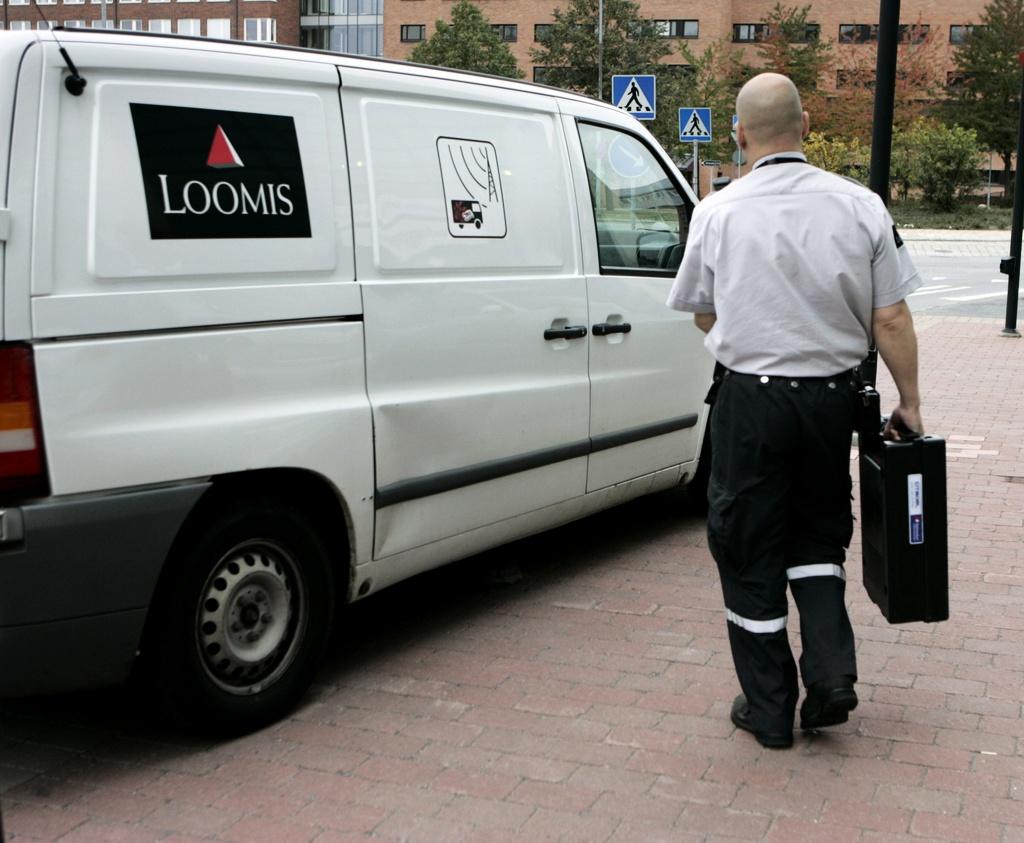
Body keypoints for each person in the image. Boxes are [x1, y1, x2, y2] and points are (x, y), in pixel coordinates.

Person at [667, 73, 923, 749]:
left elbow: (701, 310)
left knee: (748, 542)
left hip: (751, 399)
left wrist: (752, 332)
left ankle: (770, 708)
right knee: (816, 535)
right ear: (806, 125)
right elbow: (891, 315)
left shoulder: (717, 212)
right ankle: (832, 675)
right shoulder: (859, 205)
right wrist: (912, 402)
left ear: (740, 135)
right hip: (831, 401)